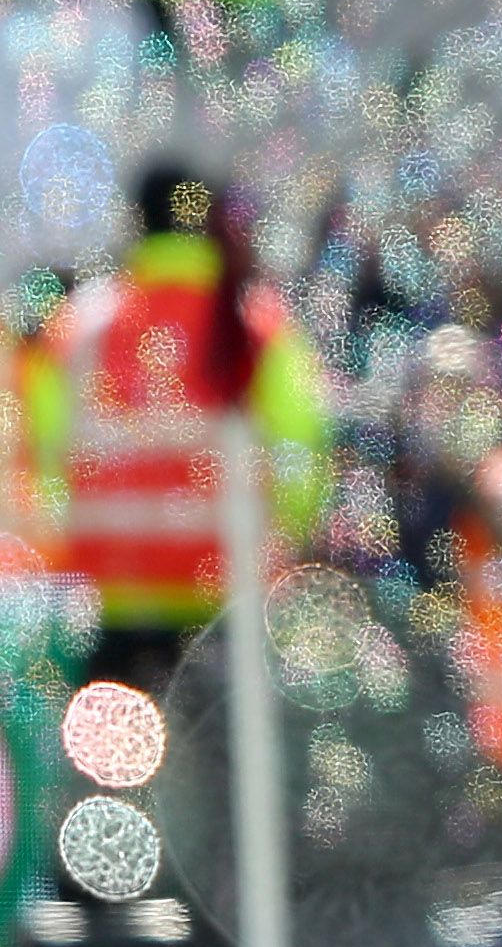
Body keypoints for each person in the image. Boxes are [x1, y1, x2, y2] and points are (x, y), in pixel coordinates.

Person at [47, 166, 328, 700]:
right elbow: (302, 452)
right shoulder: (255, 322)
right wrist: (284, 541)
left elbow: (45, 455)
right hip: (225, 602)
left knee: (114, 772)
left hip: (113, 601)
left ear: (135, 222)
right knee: (222, 777)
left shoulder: (82, 325)